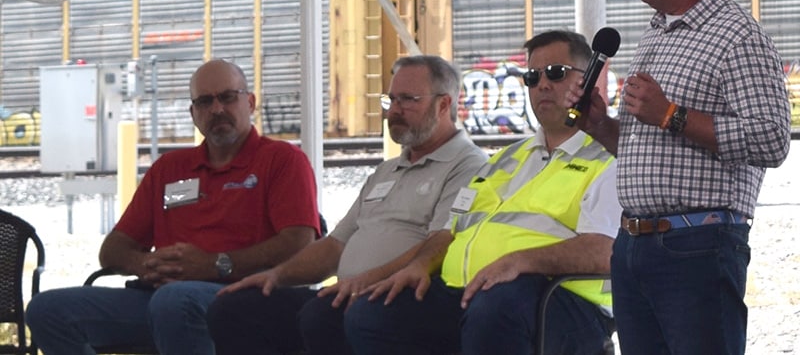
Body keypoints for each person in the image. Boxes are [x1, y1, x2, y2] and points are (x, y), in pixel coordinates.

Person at [563, 0, 792, 355]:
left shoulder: (738, 38)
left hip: (697, 245)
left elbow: (772, 139)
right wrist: (600, 127)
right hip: (634, 245)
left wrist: (672, 114)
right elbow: (647, 147)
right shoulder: (657, 32)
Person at [345, 30, 621, 355]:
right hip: (473, 294)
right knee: (372, 312)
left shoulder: (608, 155)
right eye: (532, 77)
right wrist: (419, 265)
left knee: (497, 304)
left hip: (559, 302)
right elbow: (451, 231)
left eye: (556, 73)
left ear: (589, 80)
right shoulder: (504, 159)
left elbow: (604, 251)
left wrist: (520, 261)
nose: (542, 84)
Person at [26, 59, 321, 355]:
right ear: (193, 114)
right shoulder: (170, 168)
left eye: (228, 97)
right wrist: (145, 265)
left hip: (243, 298)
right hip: (160, 297)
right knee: (46, 310)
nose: (217, 109)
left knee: (175, 300)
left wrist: (215, 264)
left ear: (251, 102)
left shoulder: (282, 160)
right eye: (205, 101)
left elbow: (299, 242)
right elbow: (113, 249)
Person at [205, 55, 487, 355]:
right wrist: (277, 275)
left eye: (407, 100)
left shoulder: (468, 165)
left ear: (443, 105)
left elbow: (440, 244)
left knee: (324, 316)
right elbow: (335, 245)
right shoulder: (387, 170)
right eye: (390, 99)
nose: (394, 111)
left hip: (405, 296)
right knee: (235, 308)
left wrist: (364, 281)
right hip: (351, 292)